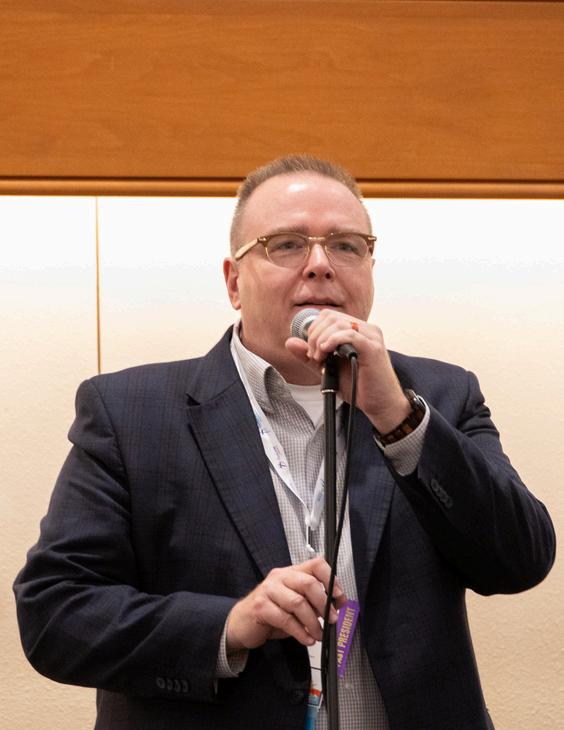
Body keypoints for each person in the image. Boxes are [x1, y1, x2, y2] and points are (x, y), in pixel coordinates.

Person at [14, 155, 555, 730]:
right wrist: (231, 625)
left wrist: (396, 417)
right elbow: (55, 613)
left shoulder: (438, 396)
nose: (321, 265)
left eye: (346, 246)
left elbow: (519, 561)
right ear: (233, 282)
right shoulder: (130, 412)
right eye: (287, 245)